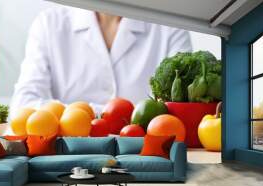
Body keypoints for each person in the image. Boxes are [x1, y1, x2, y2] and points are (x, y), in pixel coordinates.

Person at [10, 6, 191, 117]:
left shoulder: (170, 26)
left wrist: (76, 114)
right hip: (68, 154)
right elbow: (23, 105)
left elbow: (181, 110)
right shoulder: (49, 24)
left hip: (149, 154)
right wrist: (103, 114)